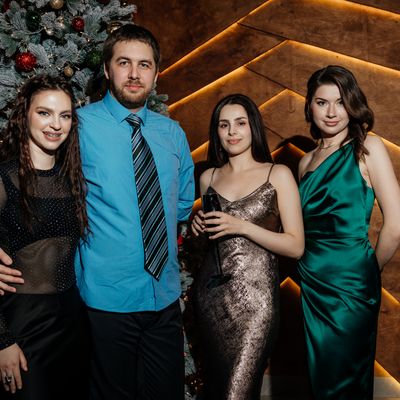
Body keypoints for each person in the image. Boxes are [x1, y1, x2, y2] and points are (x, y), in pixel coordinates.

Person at [0, 25, 194, 400]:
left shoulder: (173, 134)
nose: (134, 74)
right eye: (124, 63)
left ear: (156, 74)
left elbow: (181, 203)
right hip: (106, 303)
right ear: (107, 69)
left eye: (144, 65)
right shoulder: (78, 126)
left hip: (165, 298)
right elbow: (35, 184)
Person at [191, 93, 304, 399]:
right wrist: (198, 227)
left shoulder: (276, 174)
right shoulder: (208, 177)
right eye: (224, 125)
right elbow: (212, 244)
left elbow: (295, 246)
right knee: (215, 389)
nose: (232, 131)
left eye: (240, 123)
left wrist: (242, 226)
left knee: (237, 392)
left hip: (257, 303)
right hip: (211, 297)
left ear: (253, 126)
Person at [297, 65, 400, 399]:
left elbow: (396, 224)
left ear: (352, 104)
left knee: (346, 381)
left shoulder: (367, 146)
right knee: (320, 378)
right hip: (312, 283)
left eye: (340, 102)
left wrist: (369, 268)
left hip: (352, 284)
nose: (331, 112)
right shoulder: (305, 162)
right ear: (310, 106)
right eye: (321, 102)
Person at [0, 75, 89, 399]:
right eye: (44, 113)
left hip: (72, 322)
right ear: (25, 115)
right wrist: (3, 342)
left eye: (65, 115)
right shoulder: (4, 178)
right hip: (21, 325)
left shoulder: (72, 178)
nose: (55, 125)